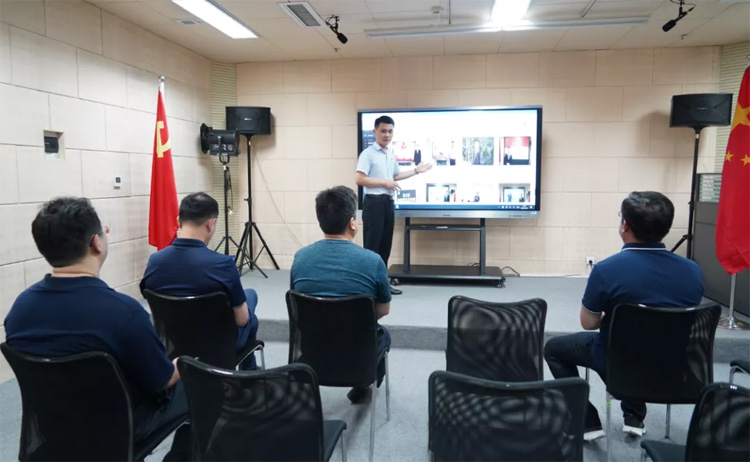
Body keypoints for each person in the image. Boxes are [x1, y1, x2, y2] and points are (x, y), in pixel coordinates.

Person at [4, 197, 190, 460]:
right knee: (197, 382)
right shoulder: (125, 312)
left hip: (55, 431)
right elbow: (161, 381)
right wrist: (182, 364)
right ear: (96, 243)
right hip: (119, 431)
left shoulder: (19, 310)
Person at [543, 191, 704, 441]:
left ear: (625, 225)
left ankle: (586, 420)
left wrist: (614, 318)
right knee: (640, 341)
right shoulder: (693, 271)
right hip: (673, 366)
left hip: (619, 363)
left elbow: (588, 323)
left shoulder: (606, 270)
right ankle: (634, 416)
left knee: (554, 349)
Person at [290, 186, 392, 403]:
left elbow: (298, 305)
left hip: (312, 354)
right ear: (352, 223)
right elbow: (383, 310)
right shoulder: (373, 261)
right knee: (383, 334)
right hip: (357, 355)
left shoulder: (300, 258)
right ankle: (363, 382)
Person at [140, 192, 259, 369]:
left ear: (179, 221)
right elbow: (241, 320)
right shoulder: (223, 265)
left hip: (175, 343)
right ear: (210, 223)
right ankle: (248, 372)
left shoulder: (155, 261)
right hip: (218, 347)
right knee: (251, 301)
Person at [355, 115, 432, 295]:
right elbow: (359, 179)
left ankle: (382, 285)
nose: (387, 135)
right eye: (383, 131)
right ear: (374, 132)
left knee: (385, 247)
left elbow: (395, 176)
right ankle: (368, 287)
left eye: (390, 131)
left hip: (388, 203)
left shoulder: (390, 153)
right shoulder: (368, 154)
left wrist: (416, 171)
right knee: (372, 248)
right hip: (374, 203)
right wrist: (384, 183)